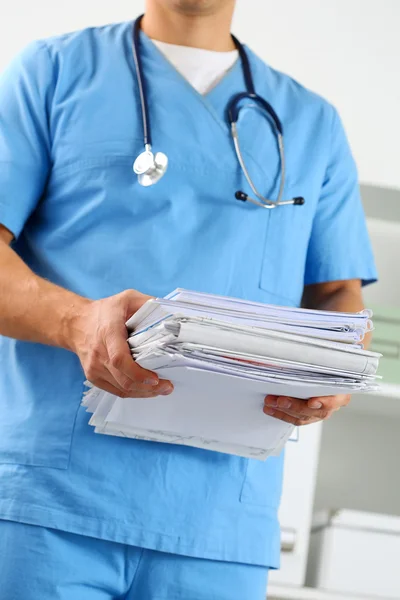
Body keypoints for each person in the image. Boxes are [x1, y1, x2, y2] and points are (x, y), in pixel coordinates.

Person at [0, 0, 377, 598]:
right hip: (50, 501)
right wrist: (77, 322)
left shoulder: (310, 122)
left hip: (218, 519)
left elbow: (335, 292)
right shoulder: (52, 71)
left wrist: (335, 367)